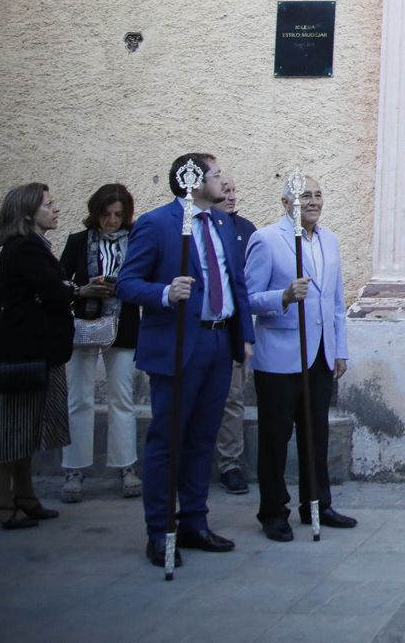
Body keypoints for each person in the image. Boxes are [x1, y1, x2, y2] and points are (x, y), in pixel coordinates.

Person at [118, 153, 254, 567]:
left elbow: (236, 282)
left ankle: (195, 520)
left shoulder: (221, 223)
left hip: (218, 342)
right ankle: (160, 530)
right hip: (179, 343)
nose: (223, 181)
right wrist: (163, 293)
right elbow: (127, 283)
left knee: (202, 437)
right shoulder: (157, 224)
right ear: (193, 181)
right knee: (168, 440)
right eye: (215, 175)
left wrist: (244, 336)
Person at [245, 175, 354, 540]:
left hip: (320, 354)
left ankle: (317, 504)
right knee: (275, 439)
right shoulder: (266, 239)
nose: (313, 201)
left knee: (316, 435)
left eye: (318, 194)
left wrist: (339, 349)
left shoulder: (331, 239)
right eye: (305, 195)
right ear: (286, 202)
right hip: (280, 356)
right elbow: (250, 298)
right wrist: (284, 297)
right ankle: (273, 511)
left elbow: (336, 301)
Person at [0, 184, 75, 530]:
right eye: (48, 205)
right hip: (25, 356)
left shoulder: (31, 247)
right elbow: (52, 293)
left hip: (36, 354)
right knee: (11, 430)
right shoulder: (25, 249)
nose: (55, 209)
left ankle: (24, 497)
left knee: (26, 430)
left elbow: (49, 293)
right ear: (26, 214)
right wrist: (70, 291)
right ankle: (1, 503)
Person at [59, 183, 142, 502]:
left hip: (123, 327)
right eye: (106, 214)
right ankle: (74, 468)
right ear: (96, 213)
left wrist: (122, 286)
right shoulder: (78, 242)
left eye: (118, 215)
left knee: (122, 397)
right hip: (84, 324)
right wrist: (85, 288)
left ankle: (126, 466)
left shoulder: (136, 242)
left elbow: (144, 279)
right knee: (79, 396)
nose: (112, 221)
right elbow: (61, 280)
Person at [213, 170, 256, 496]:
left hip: (232, 329)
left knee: (232, 399)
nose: (230, 195)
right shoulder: (195, 228)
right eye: (224, 189)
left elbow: (247, 288)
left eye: (233, 190)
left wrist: (246, 336)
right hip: (199, 331)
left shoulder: (245, 230)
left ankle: (230, 463)